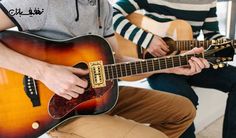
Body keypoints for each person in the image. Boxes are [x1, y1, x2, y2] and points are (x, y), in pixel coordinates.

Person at [0, 0, 210, 137]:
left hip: (102, 97)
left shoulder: (104, 8)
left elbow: (117, 63)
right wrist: (45, 72)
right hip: (58, 110)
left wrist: (169, 67)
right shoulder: (40, 2)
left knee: (183, 111)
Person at [113, 0, 236, 138]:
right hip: (158, 66)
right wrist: (147, 40)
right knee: (185, 98)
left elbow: (212, 35)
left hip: (193, 61)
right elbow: (112, 13)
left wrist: (228, 46)